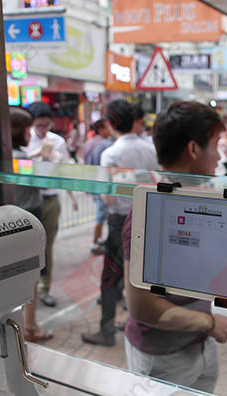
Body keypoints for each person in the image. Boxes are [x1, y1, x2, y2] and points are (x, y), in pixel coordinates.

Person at [121, 101, 227, 393]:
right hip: (164, 358)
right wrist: (209, 322)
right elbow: (141, 306)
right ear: (194, 149)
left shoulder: (195, 199)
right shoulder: (150, 212)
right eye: (216, 145)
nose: (219, 156)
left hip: (200, 343)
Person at [81, 99, 159, 346]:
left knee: (110, 278)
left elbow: (109, 197)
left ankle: (106, 331)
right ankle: (139, 323)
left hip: (120, 222)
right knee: (141, 276)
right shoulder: (151, 149)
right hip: (147, 217)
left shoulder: (111, 154)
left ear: (111, 124)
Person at [23, 101, 78, 308]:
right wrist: (36, 155)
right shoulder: (25, 139)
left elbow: (65, 171)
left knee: (46, 246)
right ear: (32, 124)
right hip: (29, 199)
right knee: (27, 248)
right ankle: (27, 291)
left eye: (47, 125)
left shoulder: (58, 141)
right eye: (39, 125)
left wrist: (72, 196)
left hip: (51, 198)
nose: (43, 129)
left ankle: (44, 289)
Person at [10, 107, 53, 342]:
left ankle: (21, 325)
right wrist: (44, 160)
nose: (30, 134)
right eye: (28, 130)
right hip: (29, 217)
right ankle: (31, 327)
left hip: (13, 216)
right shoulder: (21, 159)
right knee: (32, 275)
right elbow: (41, 182)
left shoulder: (7, 155)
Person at [83, 119, 114, 255]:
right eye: (107, 127)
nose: (110, 130)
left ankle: (99, 239)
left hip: (92, 183)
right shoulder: (106, 144)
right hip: (102, 185)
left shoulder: (88, 143)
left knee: (99, 212)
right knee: (100, 215)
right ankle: (94, 243)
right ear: (101, 129)